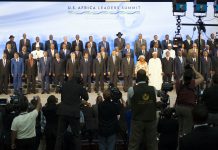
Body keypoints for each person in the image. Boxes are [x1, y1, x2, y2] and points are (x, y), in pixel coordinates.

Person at [55, 77, 89, 150]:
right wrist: (82, 87)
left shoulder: (64, 84)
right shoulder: (79, 87)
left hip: (63, 112)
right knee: (76, 136)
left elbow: (57, 90)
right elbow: (86, 97)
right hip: (73, 113)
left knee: (59, 136)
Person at [128, 69, 157, 150]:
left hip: (137, 120)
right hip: (151, 120)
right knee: (152, 145)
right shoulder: (153, 89)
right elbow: (155, 102)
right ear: (146, 78)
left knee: (133, 145)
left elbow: (130, 105)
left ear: (137, 78)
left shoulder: (131, 89)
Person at [175, 64, 204, 136]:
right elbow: (202, 78)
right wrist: (194, 70)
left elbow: (181, 81)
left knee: (180, 129)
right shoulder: (192, 83)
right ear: (191, 77)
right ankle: (185, 144)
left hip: (178, 107)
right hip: (188, 108)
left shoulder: (178, 83)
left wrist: (185, 72)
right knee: (187, 130)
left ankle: (179, 144)